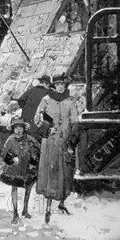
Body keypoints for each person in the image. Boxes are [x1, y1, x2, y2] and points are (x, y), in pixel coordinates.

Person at [35, 74, 81, 224]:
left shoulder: (70, 101)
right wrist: (48, 128)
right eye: (58, 84)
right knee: (51, 171)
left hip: (65, 141)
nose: (60, 86)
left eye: (63, 84)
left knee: (65, 172)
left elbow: (75, 121)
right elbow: (37, 119)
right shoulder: (46, 100)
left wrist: (73, 136)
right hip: (50, 142)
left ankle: (61, 203)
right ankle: (48, 208)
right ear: (53, 85)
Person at [0, 117, 41, 224]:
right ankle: (15, 213)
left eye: (20, 127)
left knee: (28, 186)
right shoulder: (10, 139)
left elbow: (38, 146)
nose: (18, 130)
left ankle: (25, 210)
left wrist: (34, 156)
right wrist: (11, 157)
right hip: (14, 168)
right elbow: (3, 153)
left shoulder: (28, 138)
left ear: (23, 128)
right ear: (13, 129)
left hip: (25, 167)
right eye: (16, 127)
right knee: (14, 188)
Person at [17, 75, 51, 142]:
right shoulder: (48, 93)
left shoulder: (31, 90)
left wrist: (25, 108)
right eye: (48, 84)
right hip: (37, 123)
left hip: (26, 120)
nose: (48, 86)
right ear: (45, 83)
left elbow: (20, 100)